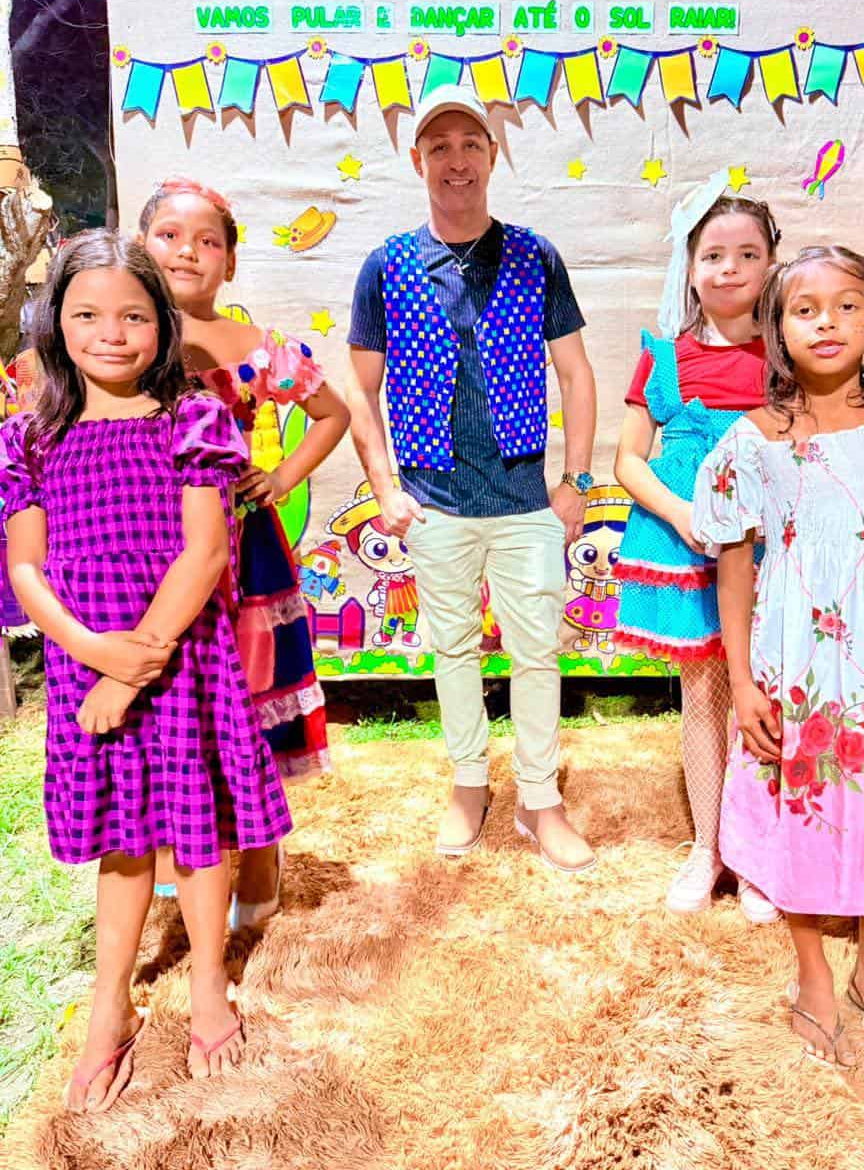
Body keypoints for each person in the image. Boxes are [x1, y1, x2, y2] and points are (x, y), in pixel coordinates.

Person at [0, 231, 293, 1109]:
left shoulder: (193, 419)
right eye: (88, 314)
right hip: (83, 663)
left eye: (133, 316)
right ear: (56, 324)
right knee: (121, 840)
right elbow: (25, 568)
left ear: (163, 325)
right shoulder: (28, 438)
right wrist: (92, 653)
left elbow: (205, 553)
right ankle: (111, 1005)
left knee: (199, 830)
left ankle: (207, 985)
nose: (111, 334)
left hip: (182, 658)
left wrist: (131, 670)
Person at [693, 245, 864, 1072]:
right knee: (798, 819)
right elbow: (734, 563)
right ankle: (813, 975)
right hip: (796, 667)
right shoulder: (750, 442)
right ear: (777, 330)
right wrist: (742, 681)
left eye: (847, 305)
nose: (827, 323)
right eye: (804, 310)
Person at [346, 84, 598, 873]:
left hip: (524, 498)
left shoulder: (535, 256)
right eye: (440, 147)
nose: (456, 161)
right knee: (452, 649)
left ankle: (539, 798)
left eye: (471, 145)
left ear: (492, 156)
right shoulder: (386, 266)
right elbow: (360, 390)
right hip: (435, 502)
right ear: (418, 160)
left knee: (536, 652)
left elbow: (576, 374)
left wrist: (575, 481)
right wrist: (386, 489)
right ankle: (468, 784)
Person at [140, 179, 350, 926]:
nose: (186, 251)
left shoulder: (254, 348)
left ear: (229, 262)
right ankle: (177, 848)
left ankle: (262, 853)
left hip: (242, 554)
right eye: (168, 235)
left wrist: (282, 476)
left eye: (208, 241)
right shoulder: (122, 339)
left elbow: (333, 413)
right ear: (139, 247)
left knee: (252, 697)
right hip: (148, 550)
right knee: (170, 696)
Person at [613, 176, 781, 922]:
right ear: (690, 267)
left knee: (766, 694)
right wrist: (686, 514)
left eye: (748, 254)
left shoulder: (790, 355)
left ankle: (754, 853)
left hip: (771, 553)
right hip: (688, 549)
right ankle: (707, 847)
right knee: (705, 696)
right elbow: (628, 460)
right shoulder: (664, 357)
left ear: (771, 264)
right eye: (713, 255)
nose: (729, 268)